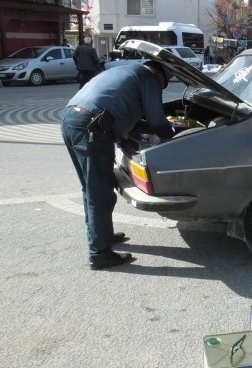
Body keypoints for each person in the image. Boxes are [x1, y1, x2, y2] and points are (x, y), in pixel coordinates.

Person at [61, 61, 174, 270]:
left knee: (90, 187)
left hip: (71, 119)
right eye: (161, 87)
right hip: (92, 128)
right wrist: (174, 138)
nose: (158, 91)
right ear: (159, 76)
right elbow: (157, 121)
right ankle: (99, 253)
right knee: (100, 191)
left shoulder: (124, 71)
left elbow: (127, 113)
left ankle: (100, 235)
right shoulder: (149, 76)